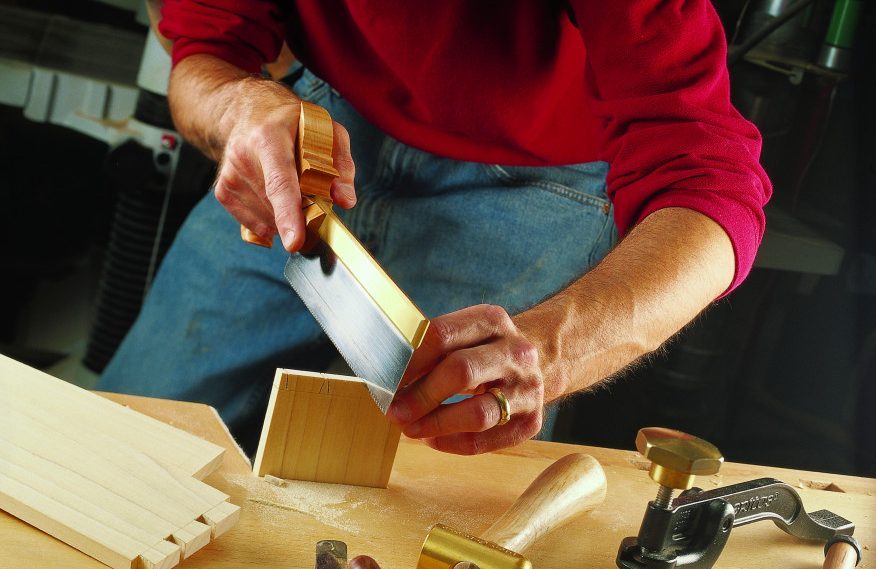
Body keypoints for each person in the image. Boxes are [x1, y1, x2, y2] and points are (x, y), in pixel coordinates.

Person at [98, 0, 771, 456]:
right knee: (122, 447)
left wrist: (550, 348)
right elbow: (208, 51)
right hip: (314, 129)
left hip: (540, 178)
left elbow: (709, 184)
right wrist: (239, 105)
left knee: (430, 535)